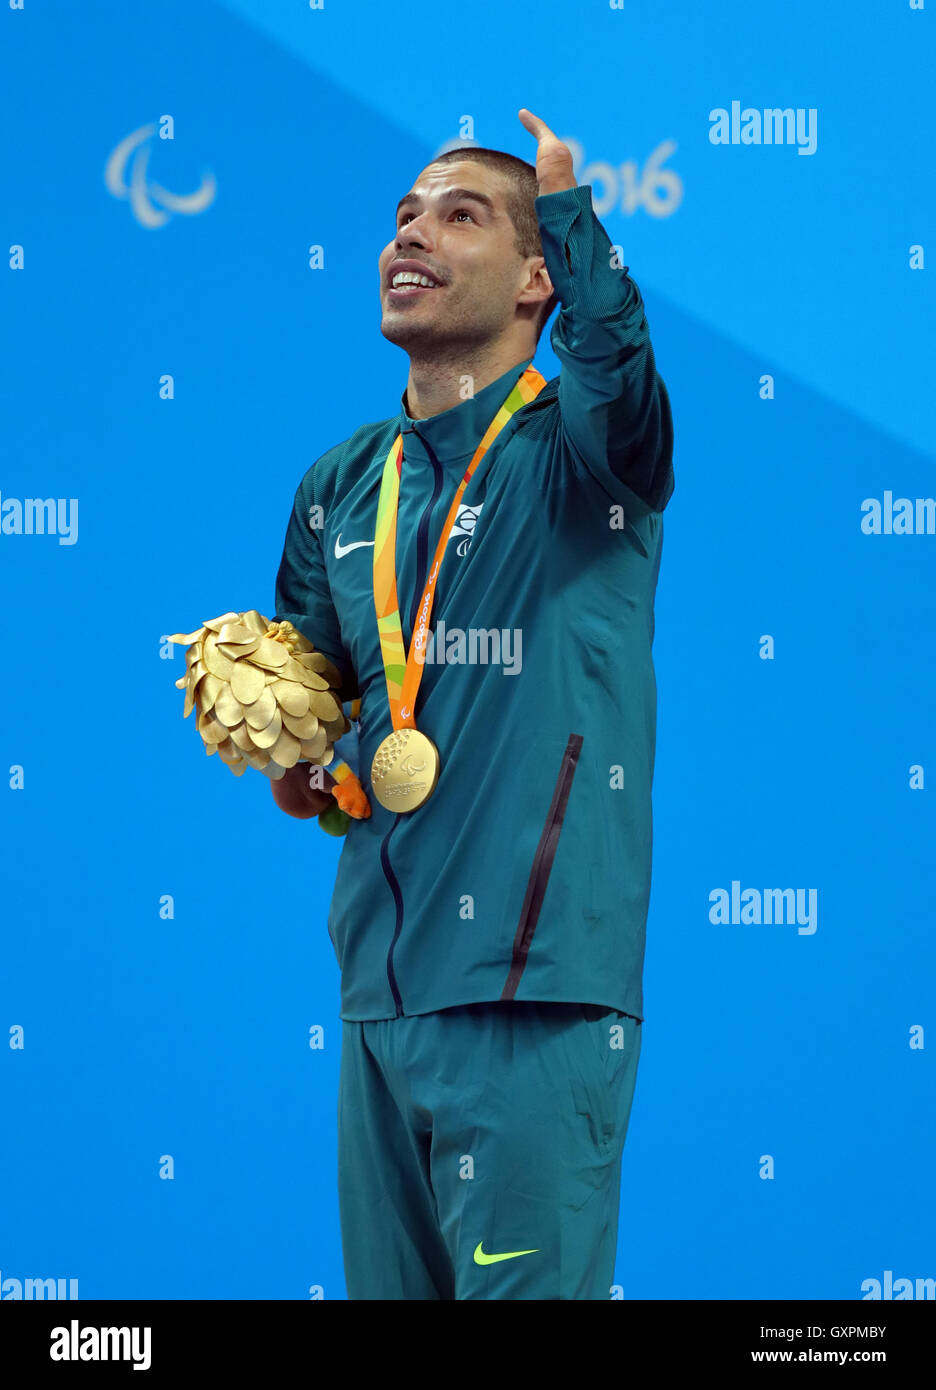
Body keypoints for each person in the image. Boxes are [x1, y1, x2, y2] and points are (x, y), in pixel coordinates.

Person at [271, 109, 675, 1300]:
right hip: (380, 994)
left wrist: (568, 209)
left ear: (536, 278)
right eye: (405, 214)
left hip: (536, 984)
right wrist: (299, 757)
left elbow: (616, 359)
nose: (414, 233)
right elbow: (325, 694)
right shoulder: (344, 482)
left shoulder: (589, 451)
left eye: (462, 215)